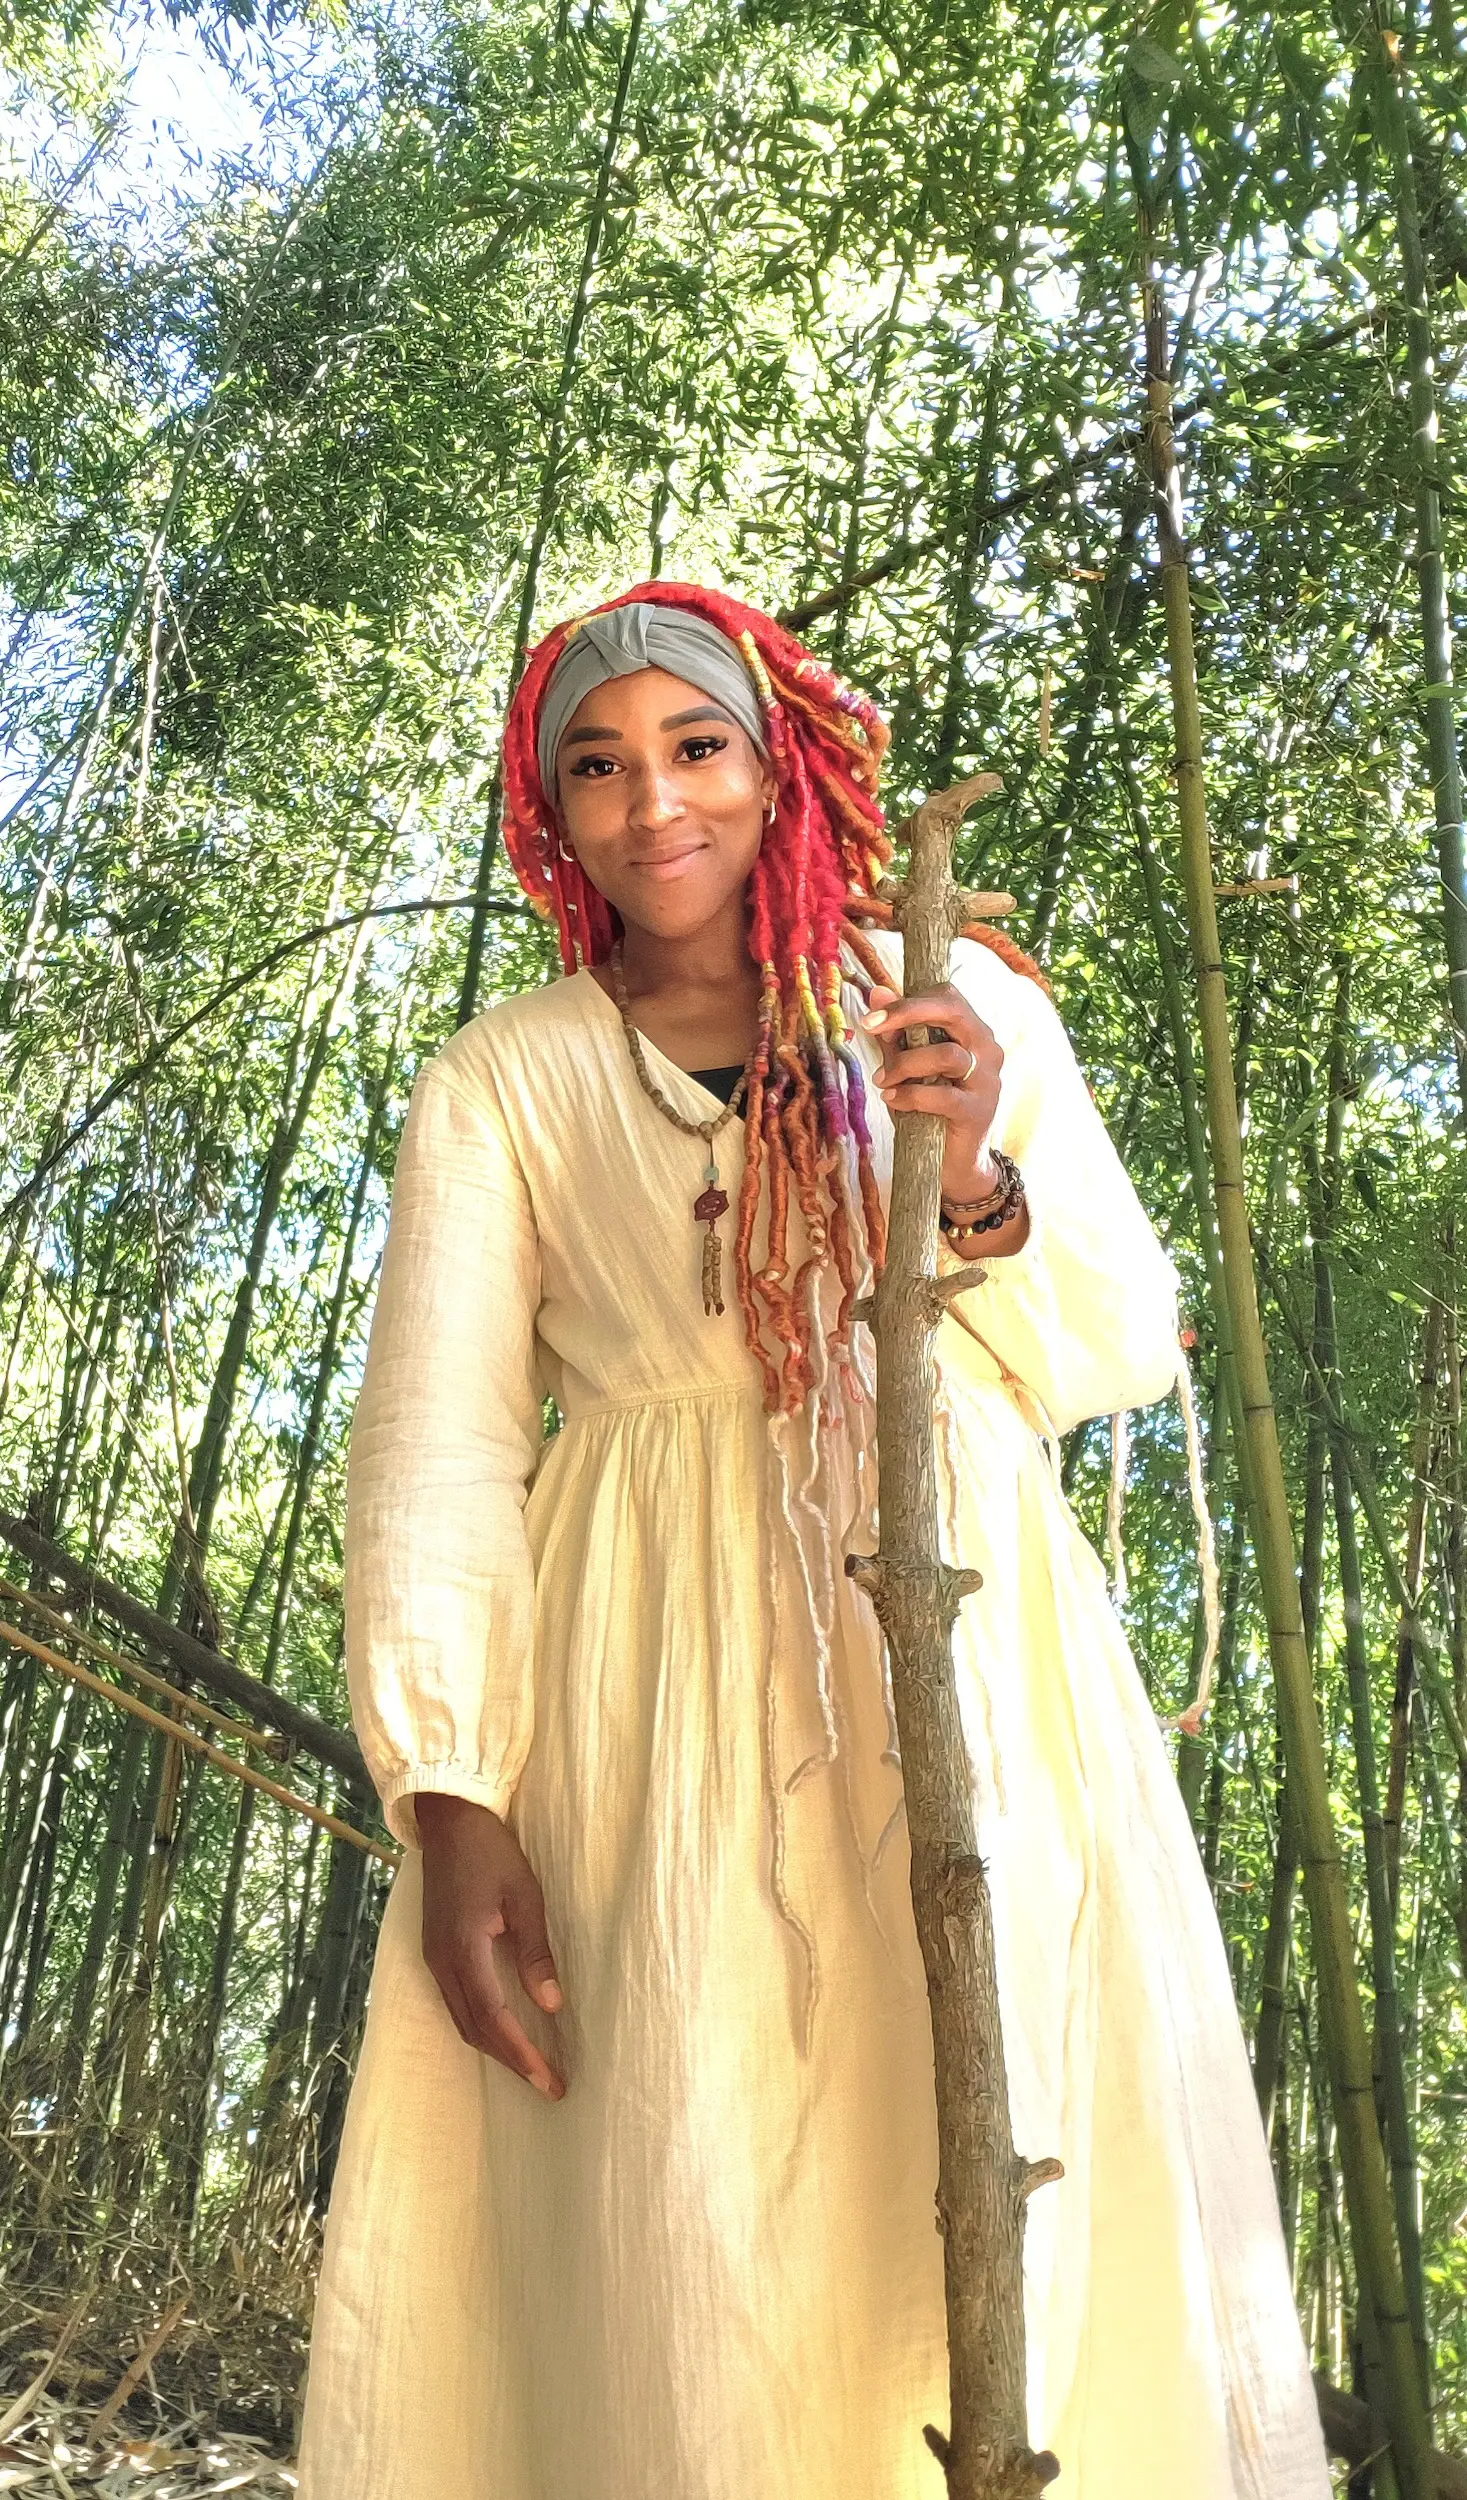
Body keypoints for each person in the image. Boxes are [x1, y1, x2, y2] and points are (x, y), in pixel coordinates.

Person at [295, 585, 1327, 2498]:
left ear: (777, 773)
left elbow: (1109, 1347)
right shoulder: (500, 1078)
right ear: (550, 813)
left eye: (694, 750)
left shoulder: (940, 995)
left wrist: (986, 1173)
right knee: (682, 2180)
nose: (650, 804)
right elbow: (432, 1446)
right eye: (594, 768)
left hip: (959, 1629)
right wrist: (451, 1792)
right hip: (646, 1671)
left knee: (992, 2124)